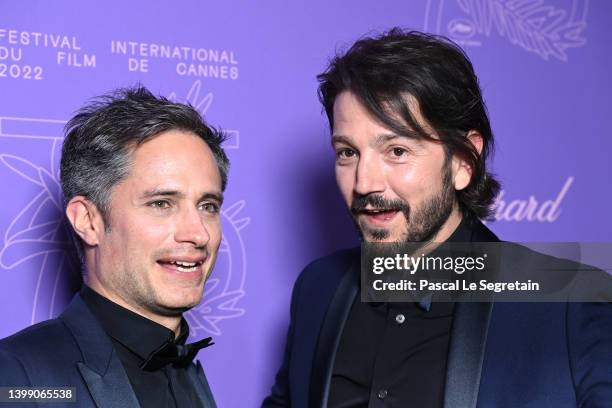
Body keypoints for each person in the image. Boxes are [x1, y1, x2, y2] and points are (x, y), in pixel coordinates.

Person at [263, 29, 612, 407]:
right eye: (348, 153)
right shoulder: (318, 289)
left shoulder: (570, 304)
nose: (364, 182)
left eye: (396, 150)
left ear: (464, 161)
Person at [0, 86, 229, 408]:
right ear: (88, 220)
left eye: (208, 206)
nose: (199, 234)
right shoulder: (16, 376)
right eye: (162, 203)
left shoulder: (188, 373)